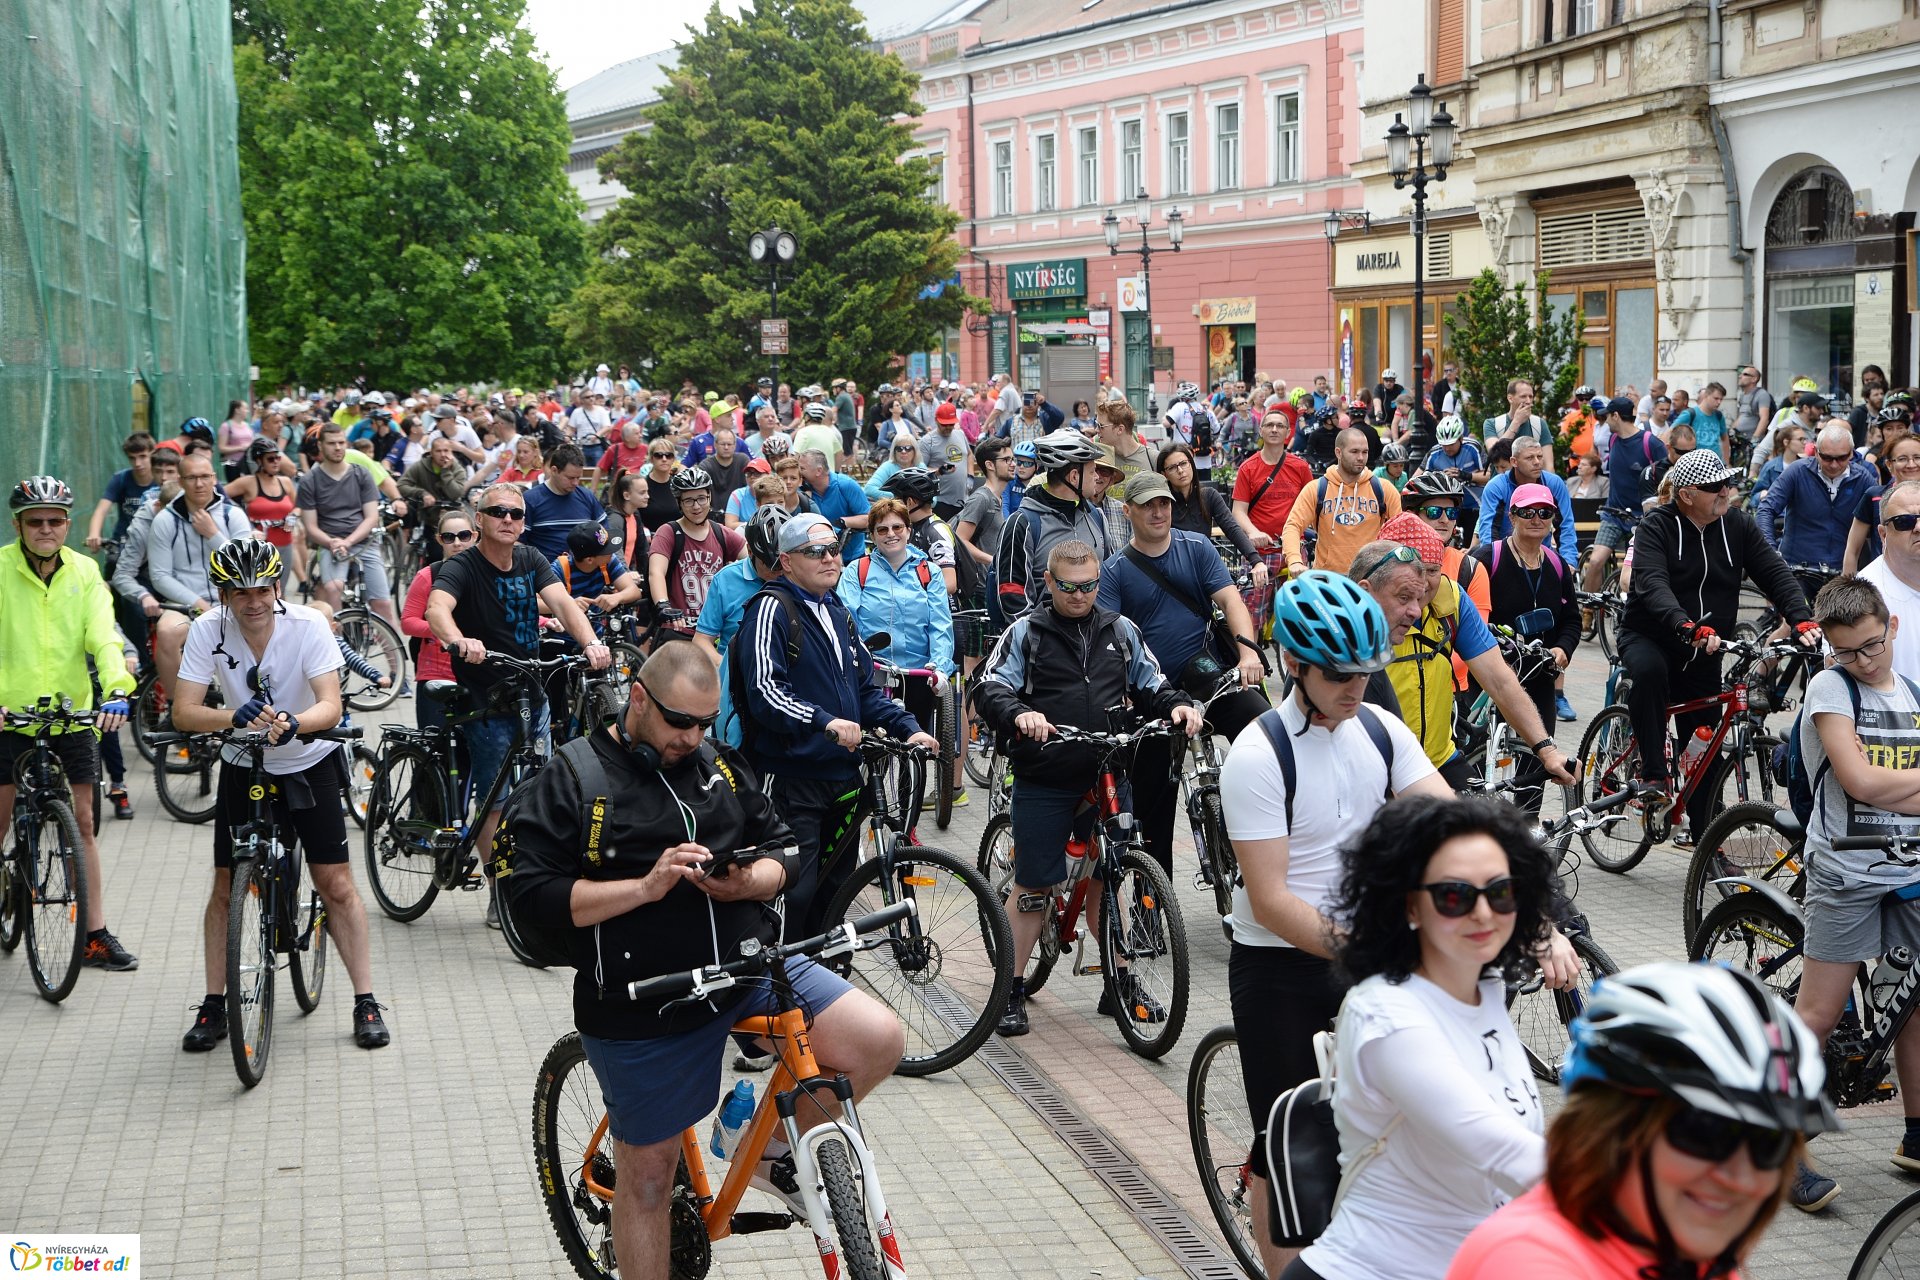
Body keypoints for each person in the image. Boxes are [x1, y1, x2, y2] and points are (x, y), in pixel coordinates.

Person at [502, 643, 903, 1275]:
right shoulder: (575, 777)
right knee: (651, 1178)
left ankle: (768, 1154)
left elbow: (785, 848)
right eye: (679, 722)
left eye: (705, 724)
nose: (693, 737)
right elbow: (529, 898)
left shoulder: (718, 763)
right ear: (638, 698)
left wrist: (752, 881)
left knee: (878, 1039)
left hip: (746, 971)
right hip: (643, 1002)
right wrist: (644, 887)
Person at [1219, 572, 1453, 1277]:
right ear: (1295, 662)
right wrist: (1371, 952)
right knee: (1290, 1141)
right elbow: (1271, 901)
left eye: (1365, 671)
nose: (1355, 687)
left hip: (1366, 951)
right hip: (1281, 965)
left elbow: (1449, 819)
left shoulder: (1379, 730)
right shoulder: (1260, 754)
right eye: (1338, 673)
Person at [1287, 796, 1561, 1280]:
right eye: (1454, 896)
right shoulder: (1387, 1016)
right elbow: (1504, 1154)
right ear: (1410, 905)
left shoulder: (1488, 988)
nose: (1483, 913)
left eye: (1501, 892)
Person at [1447, 962, 1836, 1280]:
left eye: (1770, 1144)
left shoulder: (1689, 1251)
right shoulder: (1527, 1263)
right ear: (1610, 1129)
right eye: (1705, 1134)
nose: (1740, 1176)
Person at [971, 538, 1202, 1037]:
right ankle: (1008, 992)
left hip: (1110, 772)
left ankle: (1119, 982)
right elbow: (988, 689)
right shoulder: (1025, 632)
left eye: (1091, 585)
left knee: (1112, 879)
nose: (1081, 595)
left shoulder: (1120, 629)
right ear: (1049, 583)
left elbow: (1152, 682)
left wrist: (1178, 705)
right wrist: (1020, 714)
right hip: (1047, 774)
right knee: (1034, 883)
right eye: (1070, 587)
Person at [172, 538, 389, 1052]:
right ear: (223, 594)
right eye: (239, 592)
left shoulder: (308, 625)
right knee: (226, 886)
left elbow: (330, 704)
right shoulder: (207, 630)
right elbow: (184, 712)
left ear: (277, 587)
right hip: (243, 763)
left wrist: (297, 723)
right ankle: (213, 1003)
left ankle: (366, 999)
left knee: (334, 883)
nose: (253, 601)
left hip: (307, 761)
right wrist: (232, 717)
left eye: (262, 589)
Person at [731, 514, 938, 933]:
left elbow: (865, 689)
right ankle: (780, 981)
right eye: (815, 551)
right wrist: (824, 722)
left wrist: (908, 727)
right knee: (796, 892)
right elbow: (765, 693)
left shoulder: (837, 611)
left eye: (833, 549)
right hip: (792, 779)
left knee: (836, 890)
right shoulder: (770, 609)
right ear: (786, 562)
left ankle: (823, 982)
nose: (829, 558)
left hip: (842, 777)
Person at [425, 483, 610, 926]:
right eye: (498, 512)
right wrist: (457, 639)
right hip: (484, 699)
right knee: (496, 799)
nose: (508, 520)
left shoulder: (530, 559)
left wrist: (591, 643)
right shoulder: (464, 566)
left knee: (542, 788)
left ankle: (540, 875)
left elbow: (563, 604)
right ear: (479, 520)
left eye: (517, 514)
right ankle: (500, 892)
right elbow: (436, 608)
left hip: (531, 692)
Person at [1618, 450, 1819, 842]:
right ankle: (1654, 774)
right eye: (1716, 486)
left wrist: (1801, 617)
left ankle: (1706, 832)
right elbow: (1652, 585)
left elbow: (1773, 571)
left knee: (1706, 742)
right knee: (1649, 672)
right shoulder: (1657, 525)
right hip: (1654, 635)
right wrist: (1685, 626)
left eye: (1729, 482)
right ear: (1688, 494)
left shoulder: (1737, 526)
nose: (1727, 491)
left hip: (1707, 647)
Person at [1098, 470, 1268, 879]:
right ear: (1128, 512)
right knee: (1153, 802)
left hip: (1207, 675)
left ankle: (1268, 833)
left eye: (1164, 504)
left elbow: (1230, 600)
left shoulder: (1197, 547)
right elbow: (1108, 640)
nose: (1158, 512)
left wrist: (1247, 653)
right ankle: (1154, 906)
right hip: (1152, 692)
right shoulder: (1115, 570)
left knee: (1266, 731)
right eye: (1148, 505)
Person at [0, 476, 138, 969]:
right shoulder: (0, 568)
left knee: (82, 825)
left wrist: (118, 690)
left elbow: (103, 638)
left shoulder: (85, 572)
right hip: (9, 717)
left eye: (55, 521)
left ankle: (94, 933)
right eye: (34, 521)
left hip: (70, 713)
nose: (45, 529)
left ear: (67, 524)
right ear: (18, 524)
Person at [1357, 517, 1578, 793]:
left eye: (1432, 571)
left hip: (1438, 759)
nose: (1423, 585)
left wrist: (1546, 749)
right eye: (1412, 577)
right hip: (1375, 768)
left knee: (1485, 830)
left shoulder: (1452, 600)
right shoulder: (1355, 616)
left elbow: (1499, 678)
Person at [1467, 484, 1581, 815]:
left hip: (1539, 672)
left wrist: (1563, 649)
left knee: (1537, 759)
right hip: (1490, 674)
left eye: (1544, 513)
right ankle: (1475, 823)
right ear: (1512, 516)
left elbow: (1572, 621)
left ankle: (1527, 832)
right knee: (1477, 755)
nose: (1536, 519)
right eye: (1527, 512)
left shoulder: (1558, 566)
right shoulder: (1488, 559)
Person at [837, 498, 954, 740]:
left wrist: (941, 667)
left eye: (897, 527)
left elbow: (940, 625)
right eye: (882, 529)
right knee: (872, 744)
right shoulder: (857, 570)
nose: (891, 534)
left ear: (908, 531)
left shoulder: (928, 572)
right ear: (872, 535)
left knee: (916, 747)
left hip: (919, 672)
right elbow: (846, 621)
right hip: (873, 672)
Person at [149, 449, 254, 699]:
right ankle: (179, 708)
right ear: (181, 481)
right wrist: (195, 603)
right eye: (192, 478)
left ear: (215, 478)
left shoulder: (233, 515)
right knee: (166, 631)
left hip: (231, 601)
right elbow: (160, 575)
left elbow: (247, 565)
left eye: (205, 476)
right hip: (184, 605)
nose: (199, 483)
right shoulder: (165, 520)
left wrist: (213, 535)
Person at [992, 429, 1112, 624]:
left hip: (1093, 638)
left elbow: (1108, 581)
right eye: (1092, 471)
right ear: (1074, 476)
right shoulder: (1022, 523)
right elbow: (1011, 593)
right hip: (1042, 642)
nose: (1097, 477)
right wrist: (1039, 638)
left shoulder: (1096, 517)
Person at [695, 505, 789, 747]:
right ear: (749, 551)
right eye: (770, 566)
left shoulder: (796, 573)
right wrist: (730, 671)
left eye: (782, 564)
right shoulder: (726, 579)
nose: (778, 573)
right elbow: (702, 641)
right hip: (736, 691)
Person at [1758, 424, 1876, 580]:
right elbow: (1766, 509)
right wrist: (1770, 550)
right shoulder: (1797, 471)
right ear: (1816, 452)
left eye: (1841, 458)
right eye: (1827, 458)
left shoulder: (1863, 478)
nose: (1834, 464)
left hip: (1843, 571)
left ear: (1851, 454)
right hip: (1797, 568)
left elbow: (1880, 521)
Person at [1282, 428, 1403, 577]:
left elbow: (1401, 531)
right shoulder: (1317, 488)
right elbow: (1293, 526)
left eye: (1364, 452)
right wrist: (1294, 560)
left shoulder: (1384, 489)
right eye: (1354, 452)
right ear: (1338, 452)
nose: (1360, 457)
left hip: (1371, 580)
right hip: (1328, 580)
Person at [648, 469, 745, 645]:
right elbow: (656, 572)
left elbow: (753, 561)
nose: (696, 506)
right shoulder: (669, 533)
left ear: (709, 497)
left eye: (701, 498)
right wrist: (663, 604)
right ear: (679, 503)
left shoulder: (721, 533)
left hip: (713, 631)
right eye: (688, 500)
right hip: (679, 628)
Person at [399, 509, 471, 732]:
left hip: (475, 675)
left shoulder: (485, 574)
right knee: (433, 747)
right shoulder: (427, 576)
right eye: (449, 537)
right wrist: (441, 630)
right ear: (440, 540)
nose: (457, 543)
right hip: (436, 675)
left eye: (464, 536)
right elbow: (408, 622)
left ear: (476, 536)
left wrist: (545, 623)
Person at [1157, 441, 1265, 587]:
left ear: (1191, 464)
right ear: (1164, 474)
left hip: (1204, 571)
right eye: (1172, 468)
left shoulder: (1208, 496)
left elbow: (1231, 528)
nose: (1180, 471)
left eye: (1183, 463)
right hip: (1172, 575)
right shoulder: (1162, 503)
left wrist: (1256, 561)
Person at [1231, 406, 1312, 580]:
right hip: (1259, 553)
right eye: (1269, 425)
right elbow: (1238, 511)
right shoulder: (1248, 468)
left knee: (1297, 606)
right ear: (1261, 431)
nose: (1274, 429)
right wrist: (1253, 532)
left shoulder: (1300, 467)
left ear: (1288, 432)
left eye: (1280, 426)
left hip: (1294, 551)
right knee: (1251, 607)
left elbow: (1312, 507)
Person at [1475, 436, 1577, 564]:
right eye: (1529, 458)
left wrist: (1568, 562)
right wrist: (1494, 563)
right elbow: (1489, 530)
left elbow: (1565, 525)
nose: (1537, 462)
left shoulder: (1554, 483)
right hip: (1504, 557)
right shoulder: (1496, 486)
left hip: (1542, 557)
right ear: (1514, 462)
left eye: (1539, 457)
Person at [226, 439, 305, 584]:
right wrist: (241, 519)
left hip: (285, 545)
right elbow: (220, 496)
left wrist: (294, 515)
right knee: (262, 590)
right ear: (259, 461)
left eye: (278, 457)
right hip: (259, 549)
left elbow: (299, 505)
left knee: (280, 592)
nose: (276, 462)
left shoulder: (285, 482)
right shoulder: (248, 482)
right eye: (270, 458)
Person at [1842, 435, 1920, 574]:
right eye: (1902, 459)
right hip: (1883, 582)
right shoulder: (1874, 497)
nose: (1911, 464)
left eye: (1917, 457)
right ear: (1889, 464)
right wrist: (1846, 590)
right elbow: (1853, 549)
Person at [523, 443, 608, 561]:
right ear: (554, 470)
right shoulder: (531, 500)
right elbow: (519, 543)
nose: (575, 483)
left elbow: (605, 534)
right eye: (570, 478)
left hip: (585, 570)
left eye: (578, 478)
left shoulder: (587, 497)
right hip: (546, 572)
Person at [797, 449, 871, 560]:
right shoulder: (802, 490)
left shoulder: (845, 485)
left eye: (802, 469)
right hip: (819, 556)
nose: (798, 472)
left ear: (818, 471)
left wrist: (842, 522)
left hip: (851, 556)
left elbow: (868, 518)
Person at [1482, 379, 1554, 470]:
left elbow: (1548, 465)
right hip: (1502, 482)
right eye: (1523, 396)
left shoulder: (1539, 424)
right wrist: (1516, 422)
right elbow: (1495, 454)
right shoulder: (1492, 424)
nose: (1528, 401)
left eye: (1531, 397)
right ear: (1510, 398)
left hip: (1531, 483)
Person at [917, 402, 971, 520]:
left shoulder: (960, 434)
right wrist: (939, 470)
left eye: (951, 424)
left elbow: (969, 454)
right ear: (936, 420)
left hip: (962, 499)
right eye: (944, 424)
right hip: (941, 501)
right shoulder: (927, 441)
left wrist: (970, 476)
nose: (948, 427)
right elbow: (919, 471)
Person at [863, 434, 921, 501]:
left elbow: (933, 499)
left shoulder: (920, 466)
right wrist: (897, 497)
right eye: (899, 448)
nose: (903, 451)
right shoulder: (887, 466)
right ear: (894, 451)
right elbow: (869, 489)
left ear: (915, 451)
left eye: (908, 448)